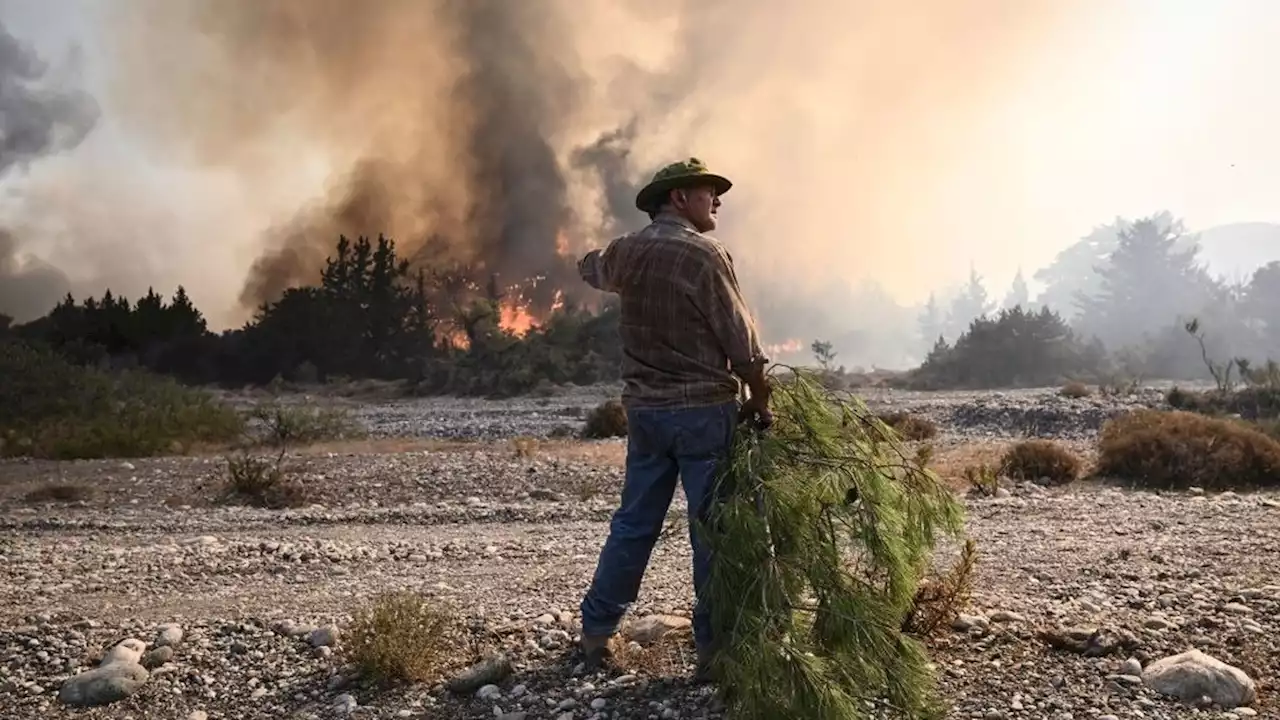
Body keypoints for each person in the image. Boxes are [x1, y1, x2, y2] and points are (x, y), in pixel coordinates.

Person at [574, 157, 773, 681]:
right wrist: (760, 397)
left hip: (645, 415)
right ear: (680, 197)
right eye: (710, 192)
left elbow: (591, 266)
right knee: (712, 531)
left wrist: (594, 257)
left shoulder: (625, 251)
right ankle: (714, 652)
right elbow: (742, 342)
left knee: (634, 524)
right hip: (703, 413)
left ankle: (596, 634)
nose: (718, 202)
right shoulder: (705, 255)